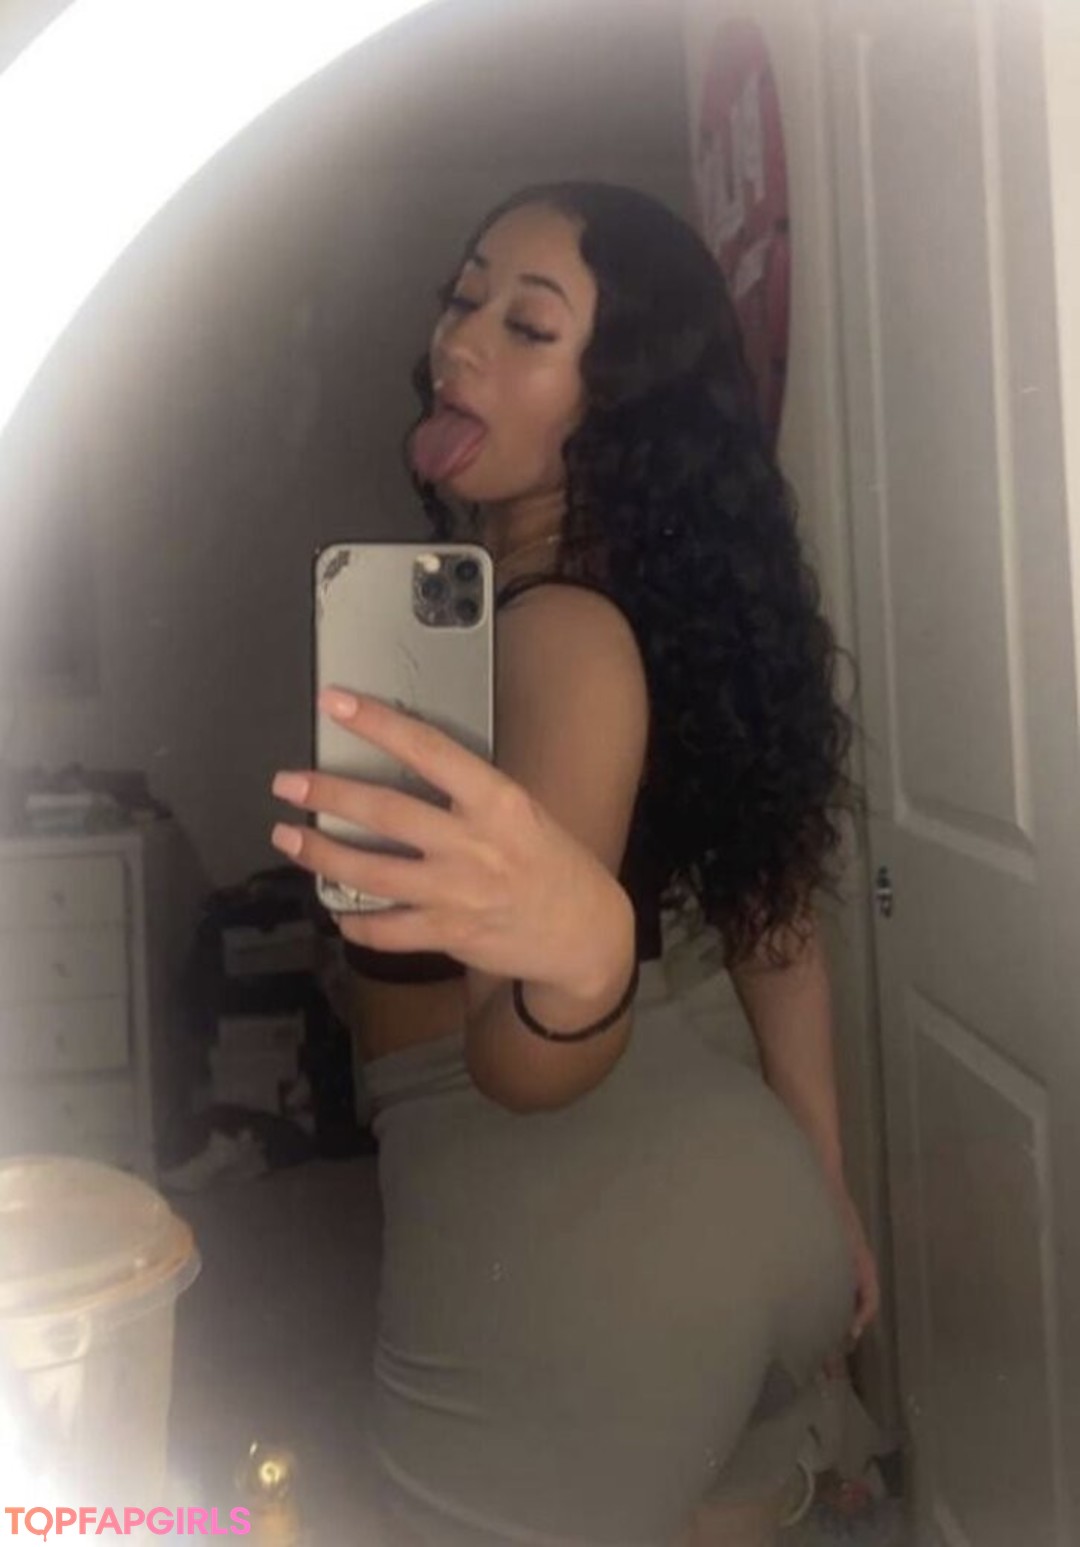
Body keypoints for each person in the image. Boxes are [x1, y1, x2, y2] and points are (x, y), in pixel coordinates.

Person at [269, 182, 880, 1547]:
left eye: (528, 326)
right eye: (465, 295)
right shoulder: (637, 617)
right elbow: (774, 918)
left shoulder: (558, 637)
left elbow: (521, 1066)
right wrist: (825, 1188)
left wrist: (588, 963)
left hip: (566, 1239)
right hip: (735, 1208)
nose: (460, 339)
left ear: (617, 404)